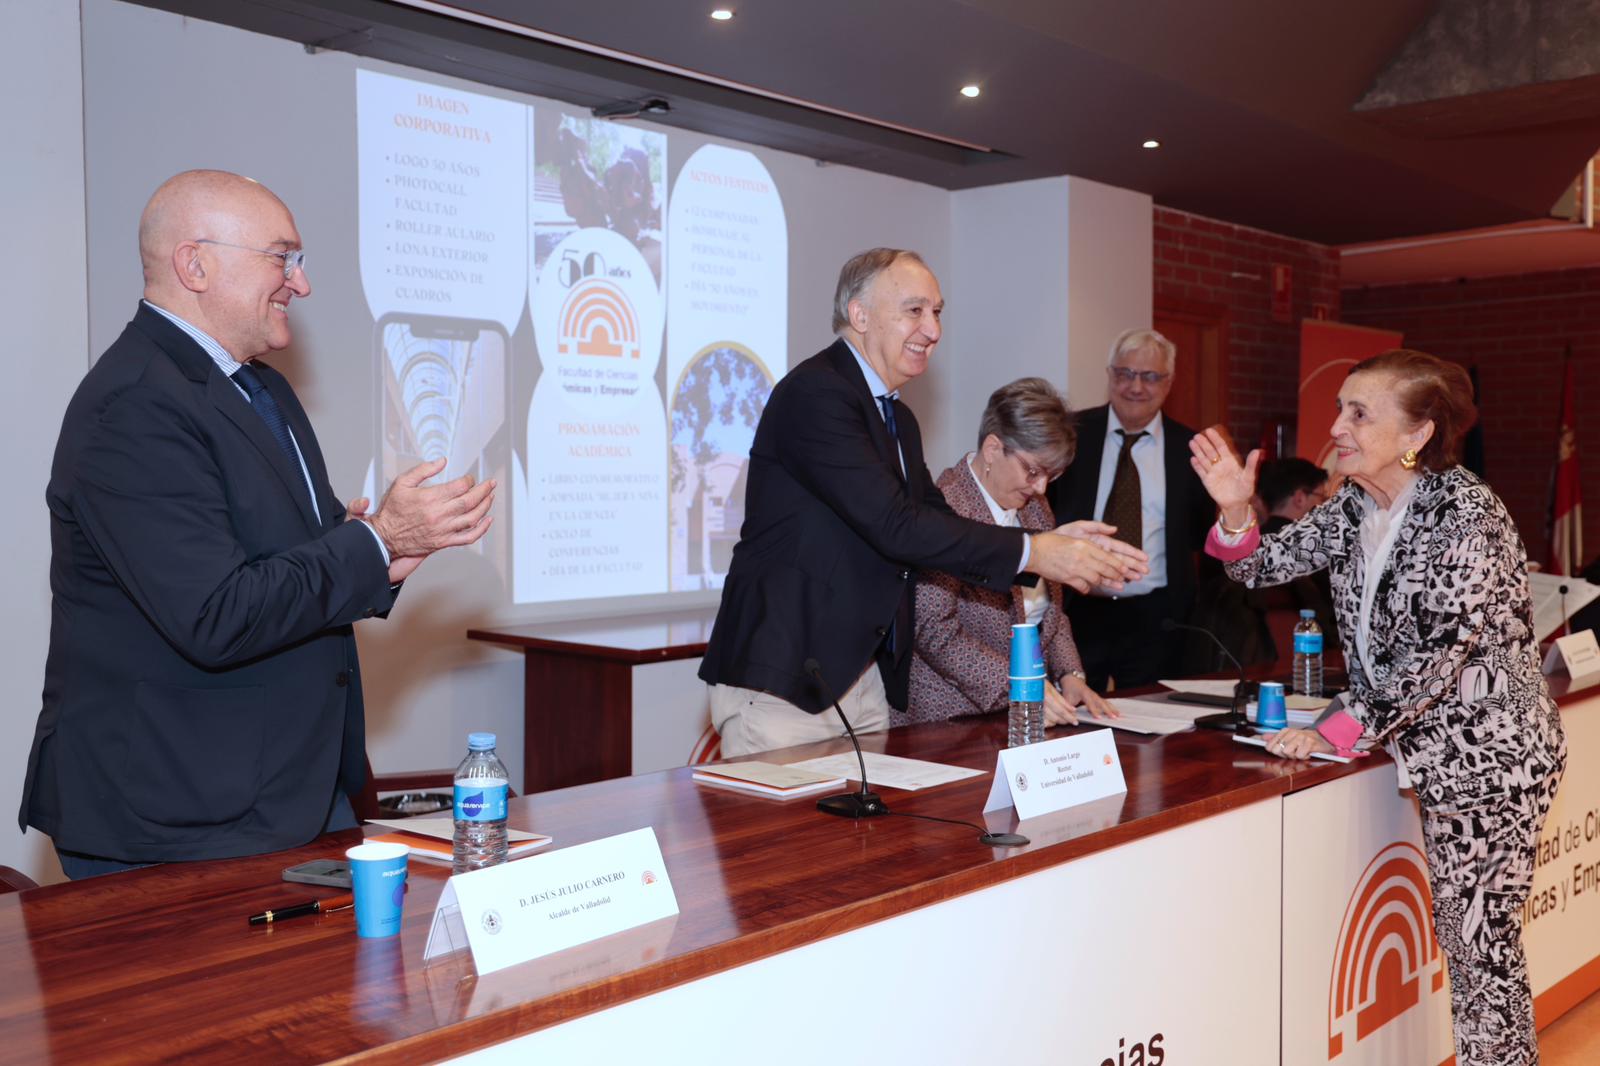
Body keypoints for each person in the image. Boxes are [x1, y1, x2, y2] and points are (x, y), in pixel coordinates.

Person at [21, 170, 495, 878]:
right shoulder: (135, 406)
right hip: (177, 816)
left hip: (289, 795)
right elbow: (215, 614)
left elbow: (281, 564)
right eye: (283, 258)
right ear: (195, 264)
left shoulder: (260, 388)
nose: (301, 283)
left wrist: (378, 560)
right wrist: (374, 541)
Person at [1190, 349, 1566, 1066]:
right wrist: (1236, 508)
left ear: (1418, 434)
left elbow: (1434, 656)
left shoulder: (1466, 514)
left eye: (1359, 414)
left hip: (1493, 758)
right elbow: (1261, 566)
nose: (1336, 426)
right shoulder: (1356, 503)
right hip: (1436, 751)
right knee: (1472, 944)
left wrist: (1334, 729)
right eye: (1341, 408)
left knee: (1480, 950)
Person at [699, 248, 1147, 757]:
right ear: (859, 315)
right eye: (914, 310)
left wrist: (1043, 540)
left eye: (936, 312)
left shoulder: (897, 418)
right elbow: (897, 525)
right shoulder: (817, 393)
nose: (932, 330)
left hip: (858, 680)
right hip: (786, 678)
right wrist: (1036, 552)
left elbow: (937, 521)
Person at [908, 378, 1117, 726]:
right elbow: (933, 629)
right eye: (1033, 471)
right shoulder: (945, 509)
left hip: (1025, 708)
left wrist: (1070, 674)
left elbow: (1047, 607)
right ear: (993, 449)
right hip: (948, 718)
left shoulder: (1033, 507)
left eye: (1052, 474)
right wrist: (1017, 685)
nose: (1041, 487)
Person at [1046, 327, 1213, 689]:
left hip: (1157, 616)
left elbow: (1201, 532)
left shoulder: (1190, 448)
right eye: (1125, 373)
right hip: (1078, 606)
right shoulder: (1071, 433)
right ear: (1109, 375)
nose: (1136, 387)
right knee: (1076, 711)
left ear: (1168, 383)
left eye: (1150, 377)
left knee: (1150, 714)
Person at [1248, 456, 1337, 648]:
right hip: (1309, 651)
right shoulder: (1312, 550)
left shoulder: (1247, 546)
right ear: (1299, 498)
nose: (1323, 506)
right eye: (1321, 498)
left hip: (1250, 654)